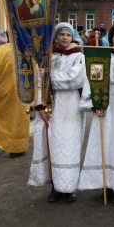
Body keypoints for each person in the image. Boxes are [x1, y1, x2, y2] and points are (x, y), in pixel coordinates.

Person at [28, 22, 90, 203]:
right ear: (56, 36)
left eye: (68, 35)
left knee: (69, 146)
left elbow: (75, 79)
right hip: (51, 106)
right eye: (61, 34)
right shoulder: (48, 55)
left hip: (70, 106)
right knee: (52, 146)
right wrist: (39, 106)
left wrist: (48, 77)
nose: (64, 38)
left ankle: (69, 188)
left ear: (72, 37)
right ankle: (55, 186)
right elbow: (38, 82)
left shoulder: (78, 55)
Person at [78, 22, 114, 203]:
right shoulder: (102, 61)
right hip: (106, 111)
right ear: (111, 38)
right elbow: (91, 82)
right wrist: (95, 105)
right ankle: (106, 184)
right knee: (105, 146)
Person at [0, 41, 29, 158]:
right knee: (17, 119)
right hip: (22, 92)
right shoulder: (28, 51)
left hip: (1, 91)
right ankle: (17, 147)